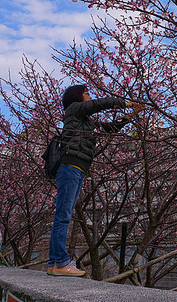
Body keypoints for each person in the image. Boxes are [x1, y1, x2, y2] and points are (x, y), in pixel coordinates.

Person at [48, 85, 140, 277]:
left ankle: (53, 262)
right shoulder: (74, 109)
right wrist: (123, 103)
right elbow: (99, 105)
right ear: (78, 97)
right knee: (63, 215)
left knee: (64, 214)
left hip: (78, 168)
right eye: (87, 93)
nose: (90, 96)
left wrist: (131, 115)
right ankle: (60, 263)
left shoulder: (84, 121)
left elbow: (110, 128)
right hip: (70, 167)